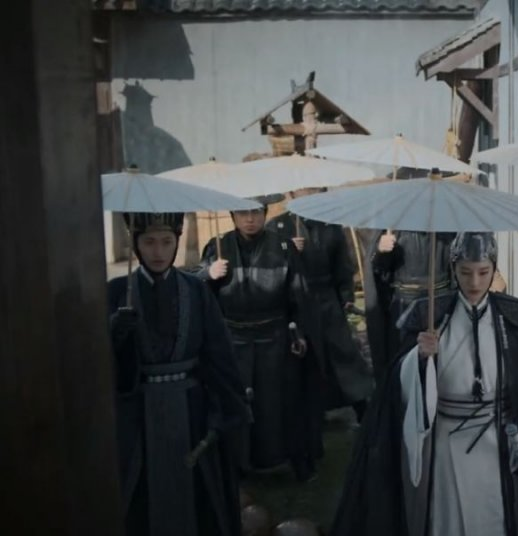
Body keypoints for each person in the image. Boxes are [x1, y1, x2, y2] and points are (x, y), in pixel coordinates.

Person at [331, 232, 518, 536]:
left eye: (483, 272)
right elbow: (397, 382)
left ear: (494, 270)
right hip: (446, 437)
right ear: (453, 269)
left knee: (496, 510)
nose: (474, 282)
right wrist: (420, 357)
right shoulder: (430, 314)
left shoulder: (513, 315)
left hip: (496, 434)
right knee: (448, 514)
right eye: (465, 272)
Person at [107, 212, 250, 536]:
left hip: (191, 408)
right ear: (135, 244)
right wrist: (113, 333)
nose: (158, 251)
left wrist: (232, 406)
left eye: (166, 242)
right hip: (138, 413)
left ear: (177, 242)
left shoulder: (195, 289)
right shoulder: (116, 291)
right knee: (140, 492)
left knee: (199, 490)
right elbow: (95, 364)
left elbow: (219, 353)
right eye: (149, 242)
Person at [195, 196, 315, 482]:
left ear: (264, 213)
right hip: (232, 337)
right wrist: (207, 273)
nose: (249, 218)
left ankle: (278, 460)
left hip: (274, 335)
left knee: (276, 402)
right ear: (233, 215)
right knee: (237, 401)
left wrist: (298, 333)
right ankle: (238, 466)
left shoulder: (283, 246)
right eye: (242, 212)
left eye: (255, 212)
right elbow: (199, 294)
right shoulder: (217, 246)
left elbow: (298, 293)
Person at [268, 189, 374, 432]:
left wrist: (345, 295)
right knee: (308, 358)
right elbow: (271, 265)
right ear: (291, 193)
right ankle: (313, 415)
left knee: (343, 354)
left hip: (326, 298)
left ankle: (362, 409)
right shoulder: (278, 226)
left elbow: (343, 264)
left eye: (313, 190)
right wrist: (287, 250)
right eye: (302, 190)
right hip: (297, 300)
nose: (308, 194)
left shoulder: (329, 223)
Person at [363, 169, 456, 386]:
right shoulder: (392, 223)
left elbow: (457, 262)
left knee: (438, 364)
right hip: (404, 306)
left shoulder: (446, 221)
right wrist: (381, 251)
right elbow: (378, 274)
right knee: (404, 365)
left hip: (439, 303)